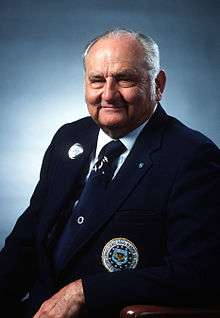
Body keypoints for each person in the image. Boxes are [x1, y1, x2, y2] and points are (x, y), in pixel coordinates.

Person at [0, 29, 220, 318]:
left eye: (125, 79)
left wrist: (85, 291)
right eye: (97, 80)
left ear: (158, 84)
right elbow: (26, 242)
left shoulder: (193, 157)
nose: (108, 94)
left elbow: (197, 274)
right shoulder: (69, 137)